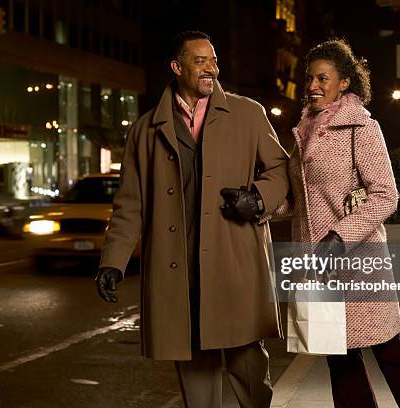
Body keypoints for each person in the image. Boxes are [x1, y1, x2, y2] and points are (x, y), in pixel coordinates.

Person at [95, 31, 290, 408]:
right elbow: (129, 204)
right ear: (177, 67)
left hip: (234, 261)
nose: (211, 69)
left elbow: (281, 169)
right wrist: (113, 261)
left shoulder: (248, 114)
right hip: (177, 269)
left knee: (247, 365)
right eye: (201, 61)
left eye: (214, 61)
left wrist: (258, 198)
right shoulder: (145, 131)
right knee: (195, 371)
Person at [285, 39, 400, 407]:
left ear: (345, 83)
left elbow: (386, 194)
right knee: (339, 359)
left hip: (359, 263)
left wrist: (340, 235)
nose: (313, 86)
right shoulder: (303, 133)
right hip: (317, 266)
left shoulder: (361, 128)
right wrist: (257, 203)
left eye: (323, 78)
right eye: (310, 78)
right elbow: (296, 201)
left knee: (389, 347)